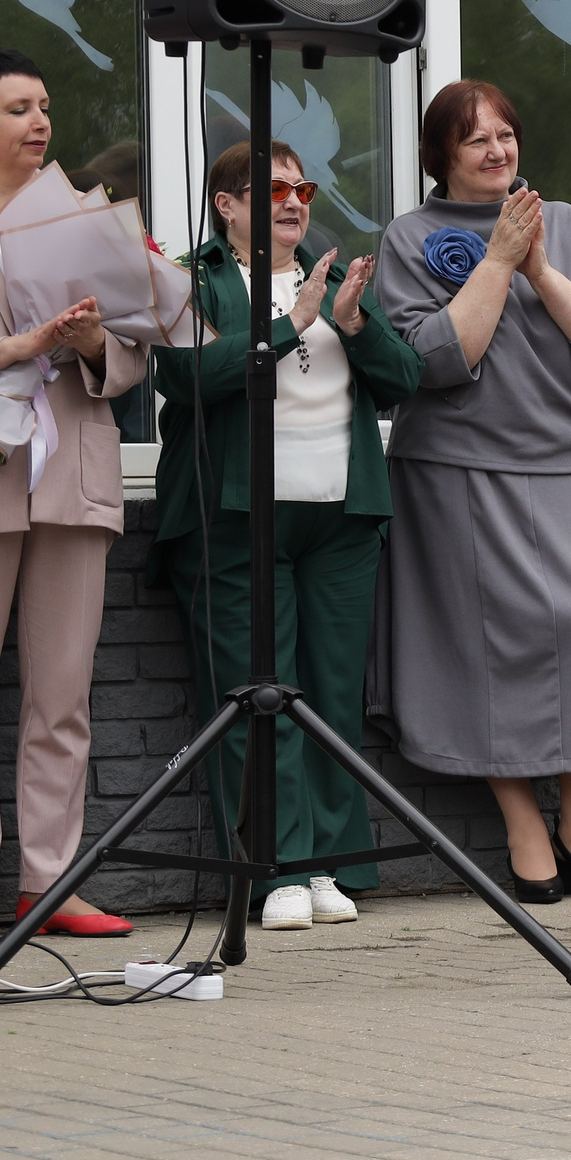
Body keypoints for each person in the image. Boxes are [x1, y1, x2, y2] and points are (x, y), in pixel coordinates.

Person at [372, 80, 571, 903]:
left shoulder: (559, 222)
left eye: (505, 134)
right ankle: (526, 828)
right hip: (457, 470)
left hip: (564, 459)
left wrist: (537, 267)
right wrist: (494, 264)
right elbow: (429, 362)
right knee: (489, 650)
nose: (496, 150)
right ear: (441, 156)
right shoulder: (408, 237)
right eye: (474, 139)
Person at [151, 140, 423, 931]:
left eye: (301, 187)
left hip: (339, 517)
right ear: (227, 204)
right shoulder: (191, 279)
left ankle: (327, 862)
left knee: (333, 694)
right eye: (270, 190)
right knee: (251, 697)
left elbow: (404, 378)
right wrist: (288, 322)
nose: (294, 201)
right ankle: (273, 867)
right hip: (236, 517)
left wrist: (350, 324)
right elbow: (185, 376)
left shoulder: (336, 276)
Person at [0, 50, 145, 938]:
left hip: (69, 476)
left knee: (62, 698)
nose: (39, 121)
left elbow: (135, 356)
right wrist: (18, 345)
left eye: (44, 106)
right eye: (18, 108)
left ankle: (46, 887)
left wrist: (92, 341)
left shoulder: (81, 225)